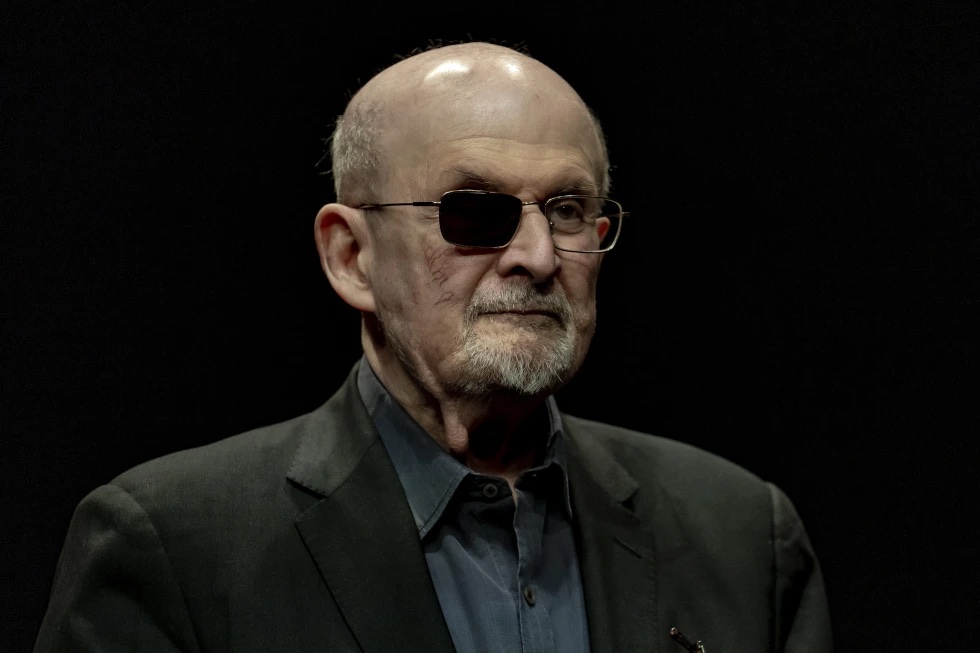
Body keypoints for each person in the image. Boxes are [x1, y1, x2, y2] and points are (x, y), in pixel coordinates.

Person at [35, 42, 832, 652]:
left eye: (565, 209)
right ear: (352, 257)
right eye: (473, 211)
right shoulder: (172, 550)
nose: (539, 256)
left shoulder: (743, 537)